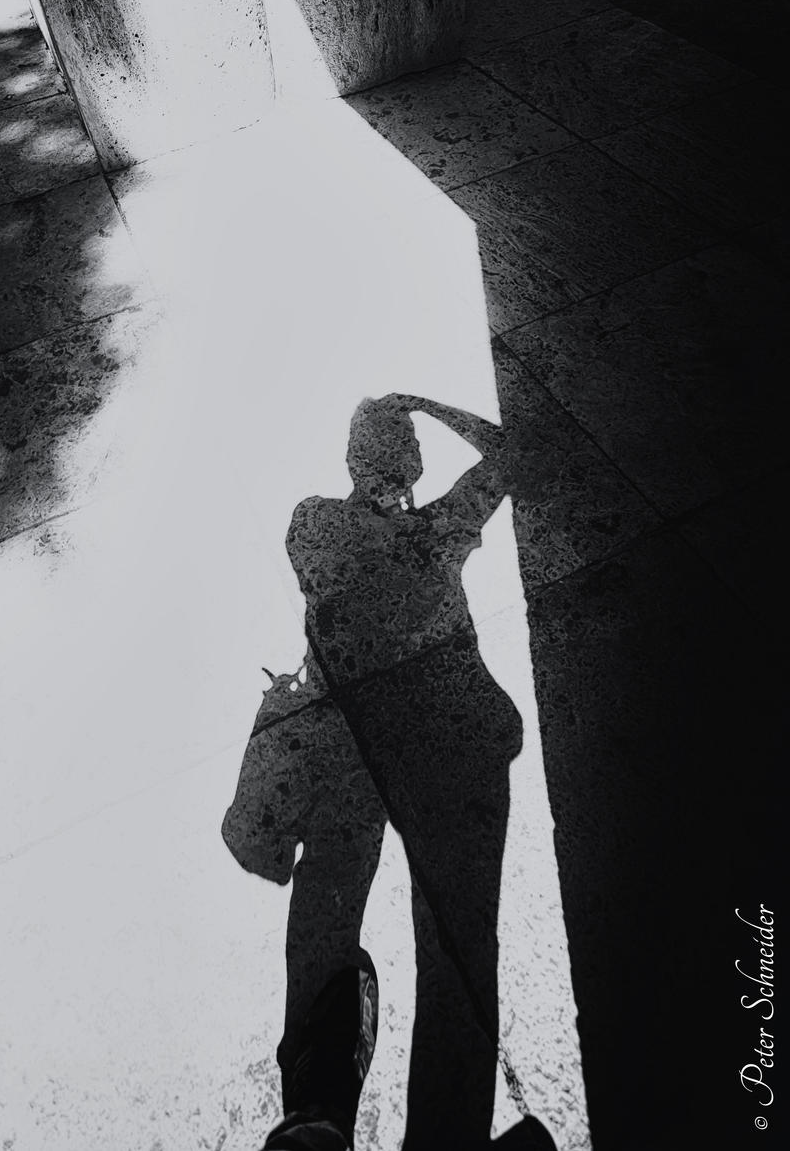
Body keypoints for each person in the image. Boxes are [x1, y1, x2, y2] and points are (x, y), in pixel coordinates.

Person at [229, 396, 555, 1148]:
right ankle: (390, 1121)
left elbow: (511, 458)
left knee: (330, 912)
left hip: (355, 749)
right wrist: (428, 407)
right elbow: (512, 451)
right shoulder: (435, 530)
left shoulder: (315, 523)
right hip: (444, 752)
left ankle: (313, 1110)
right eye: (397, 445)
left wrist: (406, 415)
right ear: (408, 462)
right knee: (456, 953)